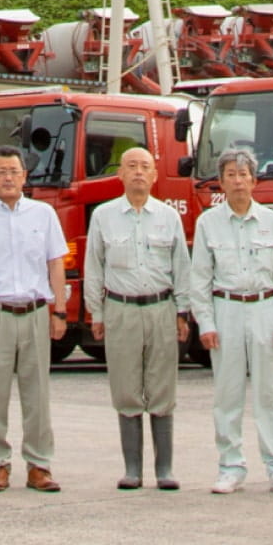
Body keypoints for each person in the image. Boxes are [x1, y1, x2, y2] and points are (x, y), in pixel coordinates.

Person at [0, 146, 71, 493]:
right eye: (1, 171)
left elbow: (55, 264)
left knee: (37, 394)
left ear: (25, 176)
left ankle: (39, 465)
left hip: (34, 312)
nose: (8, 177)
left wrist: (60, 310)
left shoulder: (44, 214)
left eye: (14, 171)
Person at [186, 148, 273, 495]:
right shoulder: (208, 223)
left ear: (255, 180)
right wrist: (205, 323)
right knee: (228, 394)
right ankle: (230, 466)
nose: (238, 181)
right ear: (220, 182)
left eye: (244, 174)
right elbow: (200, 279)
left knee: (271, 395)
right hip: (227, 310)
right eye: (231, 175)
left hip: (265, 309)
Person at [86, 146, 190, 491]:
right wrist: (96, 313)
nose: (138, 173)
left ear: (155, 174)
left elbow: (182, 268)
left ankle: (165, 469)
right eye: (131, 166)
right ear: (121, 174)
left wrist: (182, 311)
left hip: (161, 309)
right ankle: (132, 469)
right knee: (126, 388)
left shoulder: (168, 216)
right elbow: (94, 268)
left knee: (162, 388)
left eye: (145, 166)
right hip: (121, 309)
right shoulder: (103, 216)